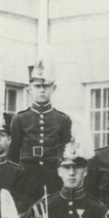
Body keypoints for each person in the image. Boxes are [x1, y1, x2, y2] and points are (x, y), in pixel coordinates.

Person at [10, 61, 73, 201]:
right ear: (30, 89)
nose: (42, 90)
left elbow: (65, 156)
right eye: (37, 86)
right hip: (26, 180)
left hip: (53, 181)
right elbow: (13, 156)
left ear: (53, 88)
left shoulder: (63, 120)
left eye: (46, 86)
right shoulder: (20, 119)